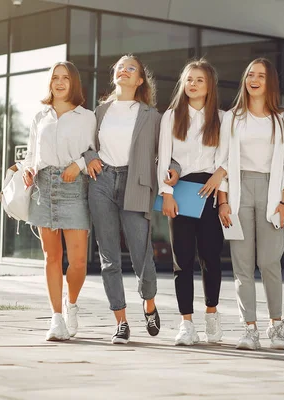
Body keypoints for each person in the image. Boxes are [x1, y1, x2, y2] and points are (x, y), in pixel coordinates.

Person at [84, 54, 179, 344]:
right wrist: (89, 156)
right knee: (109, 257)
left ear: (139, 80)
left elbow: (170, 152)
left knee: (142, 256)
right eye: (120, 67)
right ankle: (121, 322)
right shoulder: (100, 112)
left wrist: (174, 169)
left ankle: (148, 303)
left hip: (136, 183)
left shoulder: (152, 116)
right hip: (101, 182)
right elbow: (87, 144)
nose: (123, 71)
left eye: (131, 68)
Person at [216, 58, 284, 351]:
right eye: (250, 74)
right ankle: (249, 329)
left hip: (272, 192)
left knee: (269, 262)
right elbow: (222, 160)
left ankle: (277, 327)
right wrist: (222, 201)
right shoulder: (232, 117)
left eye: (261, 75)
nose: (254, 79)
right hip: (238, 192)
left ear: (270, 82)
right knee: (242, 266)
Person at [22, 61, 96, 341]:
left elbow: (94, 152)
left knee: (77, 261)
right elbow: (31, 153)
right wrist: (29, 169)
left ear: (74, 83)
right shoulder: (40, 116)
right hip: (44, 186)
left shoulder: (86, 116)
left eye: (65, 78)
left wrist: (78, 165)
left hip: (74, 186)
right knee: (52, 257)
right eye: (55, 78)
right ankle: (55, 319)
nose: (60, 82)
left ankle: (71, 304)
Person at [158, 59, 226, 346]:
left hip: (211, 192)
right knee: (181, 260)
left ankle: (211, 315)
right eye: (189, 79)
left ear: (209, 84)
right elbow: (163, 156)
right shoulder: (171, 117)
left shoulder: (223, 118)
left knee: (211, 258)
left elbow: (227, 158)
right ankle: (186, 323)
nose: (193, 84)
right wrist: (167, 194)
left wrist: (219, 182)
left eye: (199, 79)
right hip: (182, 192)